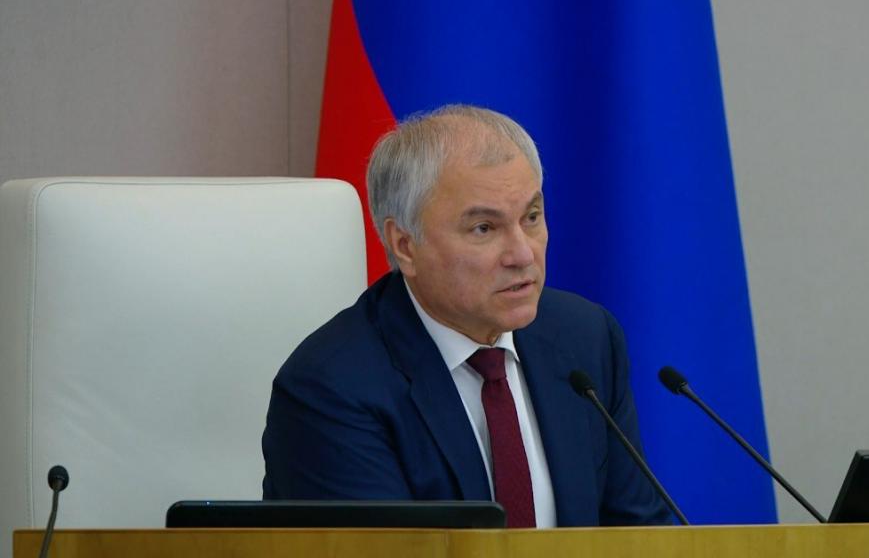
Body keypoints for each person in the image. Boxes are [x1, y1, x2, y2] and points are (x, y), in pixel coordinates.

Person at [261, 105, 671, 527]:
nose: (523, 254)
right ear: (405, 246)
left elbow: (640, 535)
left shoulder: (585, 338)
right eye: (484, 229)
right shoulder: (333, 388)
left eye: (531, 218)